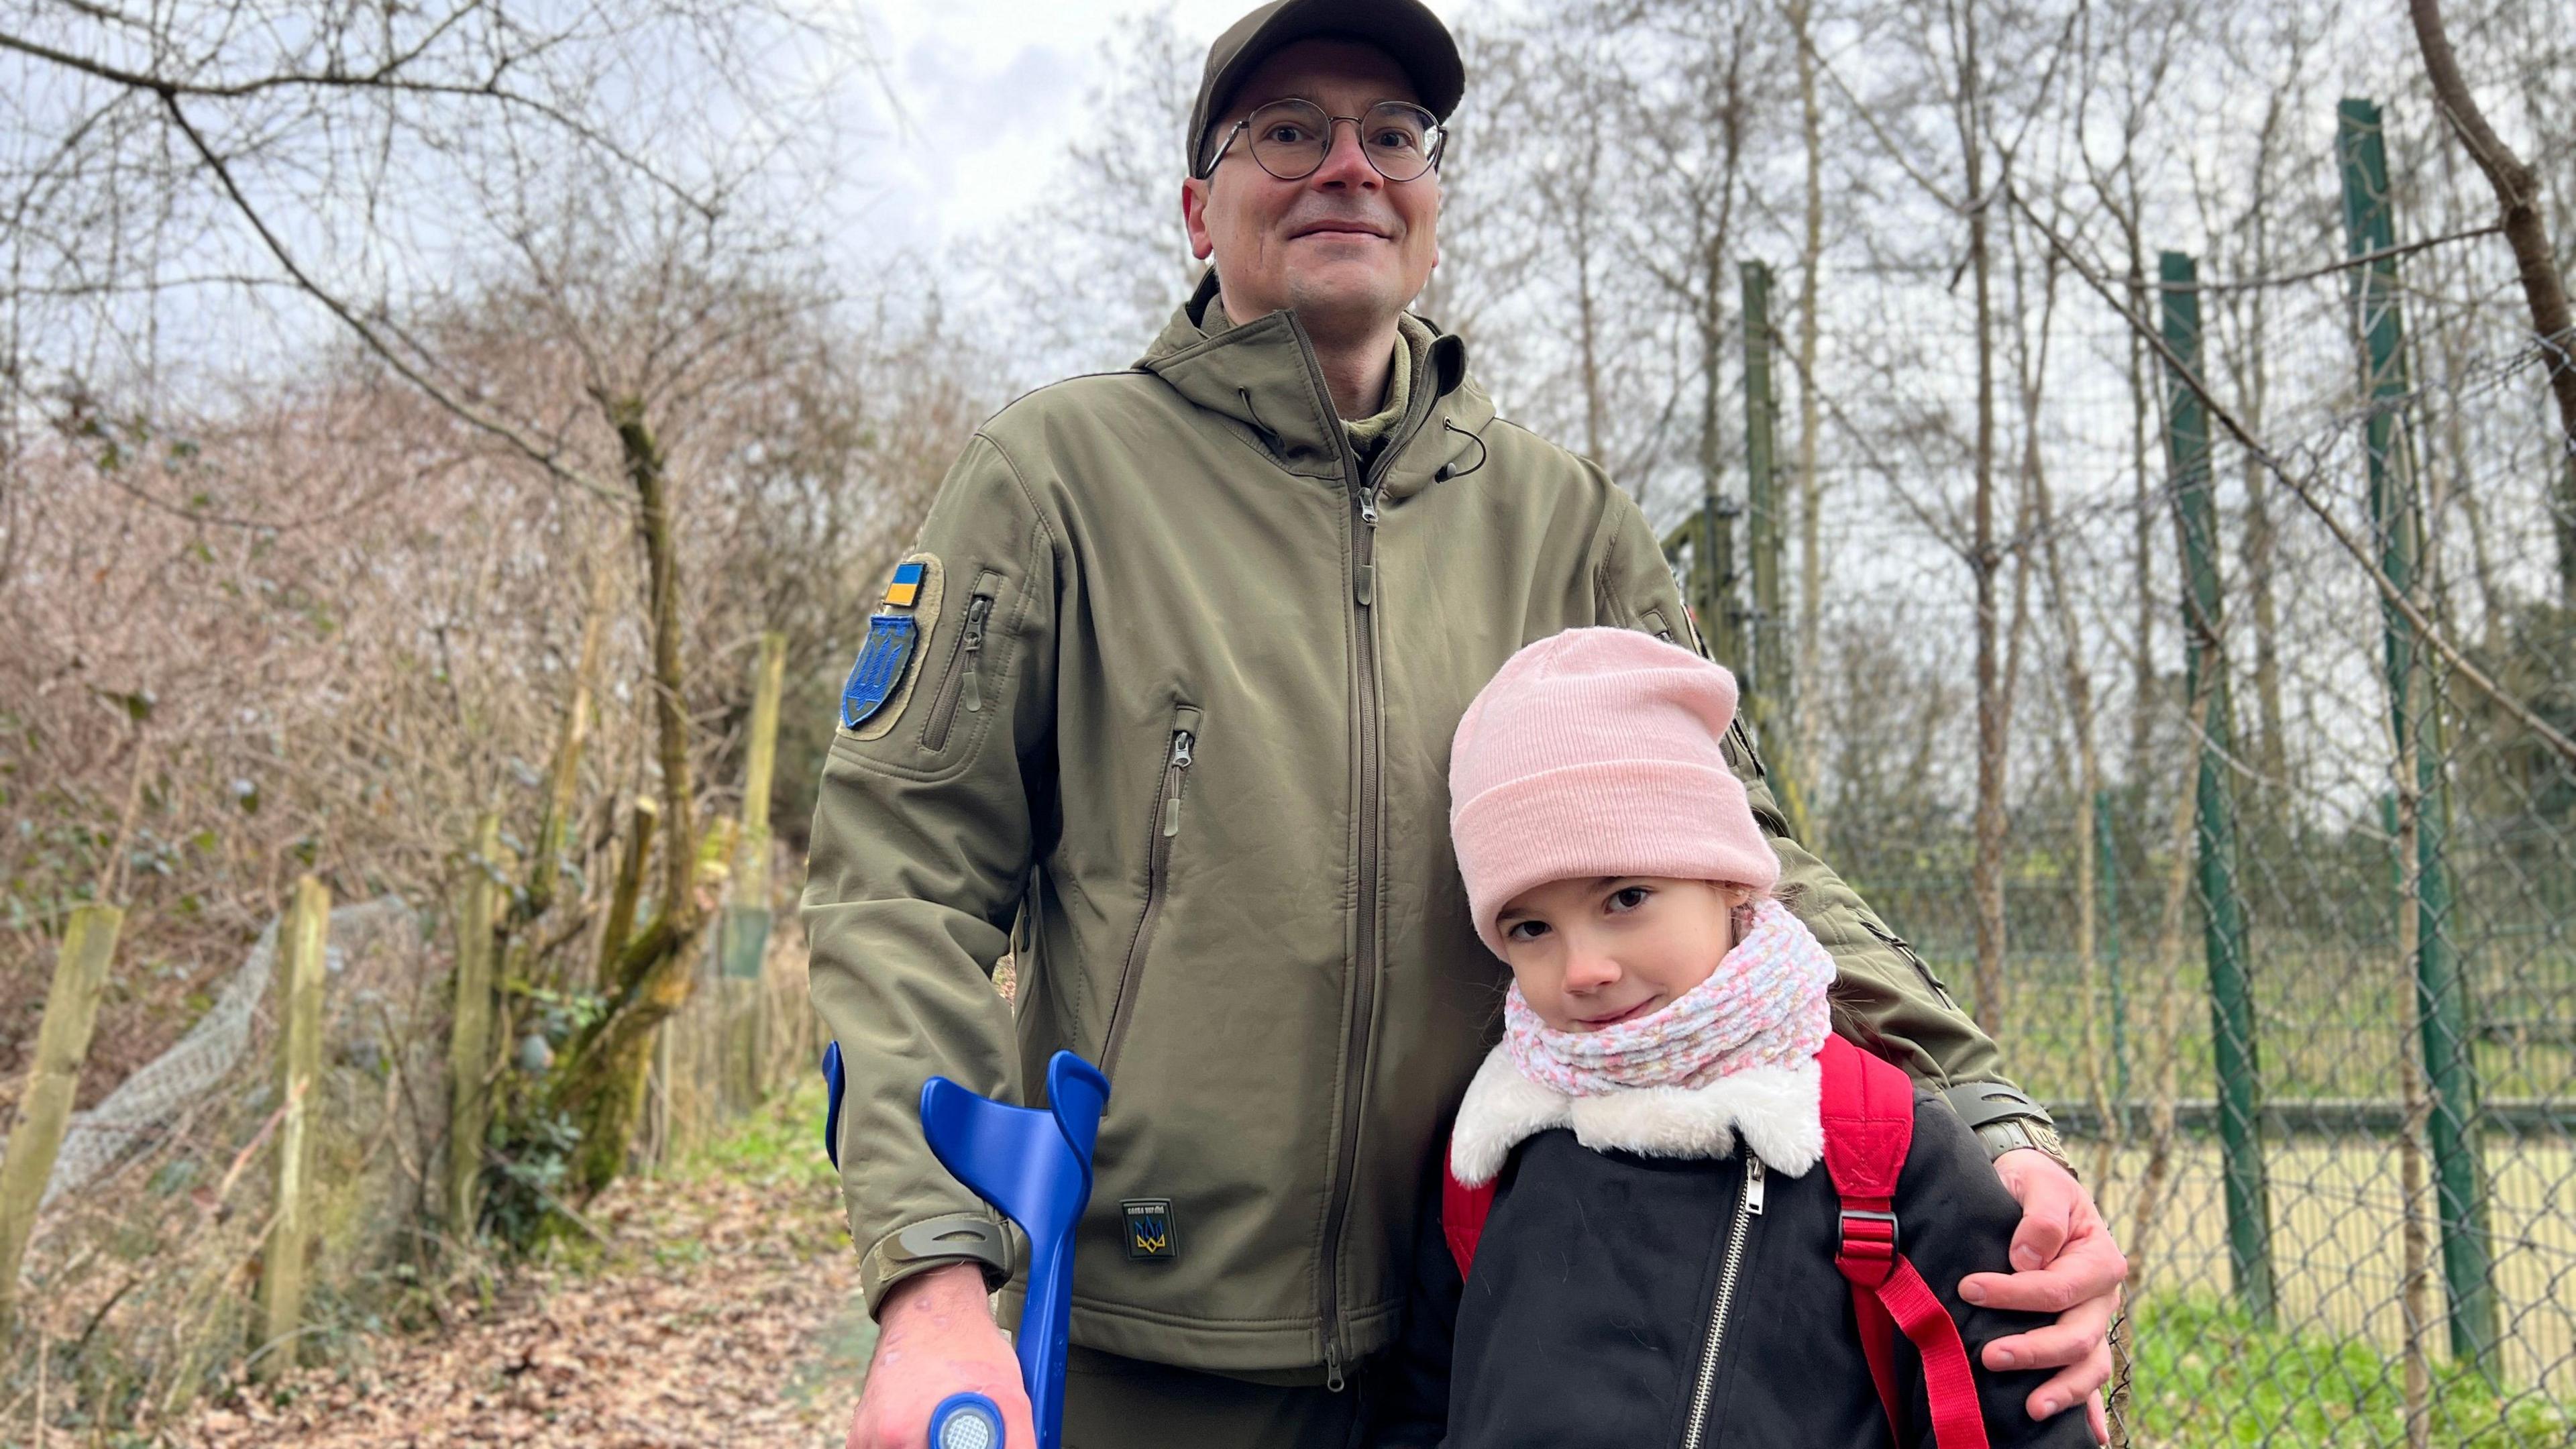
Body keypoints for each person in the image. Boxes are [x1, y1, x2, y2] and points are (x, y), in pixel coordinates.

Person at [801, 3, 2123, 1446]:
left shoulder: (1565, 526)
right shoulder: (1057, 480)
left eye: (1393, 135)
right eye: (1289, 131)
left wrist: (1995, 1131)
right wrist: (933, 1286)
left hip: (1519, 1336)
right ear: (1200, 204)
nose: (1348, 166)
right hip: (1158, 1352)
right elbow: (901, 879)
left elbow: (1751, 870)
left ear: (1430, 198)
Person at [1373, 628, 2096, 1448]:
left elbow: (2020, 1405)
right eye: (1531, 925)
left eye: (1626, 897)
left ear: (1725, 877)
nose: (1583, 968)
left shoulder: (1878, 1138)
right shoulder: (1491, 1148)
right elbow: (1427, 1403)